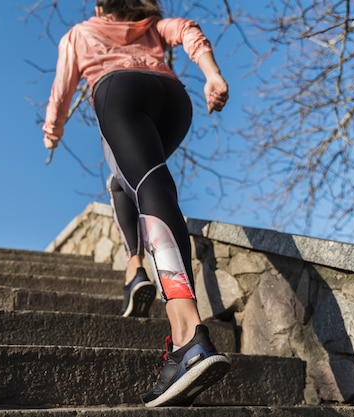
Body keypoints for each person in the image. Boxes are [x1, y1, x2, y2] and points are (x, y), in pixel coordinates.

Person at [42, 0, 231, 407]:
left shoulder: (79, 34)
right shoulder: (153, 26)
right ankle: (135, 272)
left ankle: (187, 337)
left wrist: (52, 131)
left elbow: (63, 87)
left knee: (146, 182)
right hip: (172, 100)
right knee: (126, 179)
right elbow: (188, 29)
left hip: (119, 90)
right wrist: (212, 74)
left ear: (98, 5)